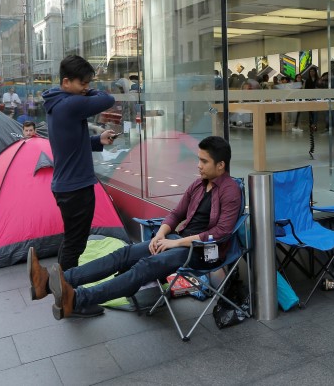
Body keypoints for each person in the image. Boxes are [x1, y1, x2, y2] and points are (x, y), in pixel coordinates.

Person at [27, 136, 241, 320]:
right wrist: (160, 234)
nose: (199, 165)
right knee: (123, 254)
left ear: (220, 165)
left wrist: (175, 242)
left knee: (144, 267)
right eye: (199, 160)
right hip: (177, 241)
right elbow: (176, 214)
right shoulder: (198, 185)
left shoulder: (230, 191)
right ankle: (45, 283)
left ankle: (76, 299)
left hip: (203, 253)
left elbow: (220, 233)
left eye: (204, 161)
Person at [43, 56, 116, 300]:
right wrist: (89, 92)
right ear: (66, 81)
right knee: (76, 244)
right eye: (83, 83)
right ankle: (68, 297)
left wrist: (98, 140)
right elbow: (108, 99)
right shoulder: (69, 104)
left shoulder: (59, 101)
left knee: (71, 239)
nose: (86, 88)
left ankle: (59, 283)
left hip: (67, 185)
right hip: (76, 188)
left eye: (88, 83)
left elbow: (71, 143)